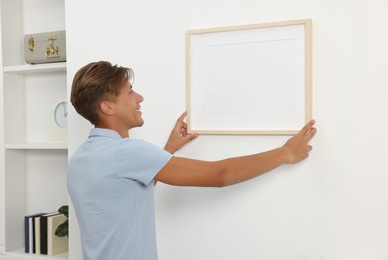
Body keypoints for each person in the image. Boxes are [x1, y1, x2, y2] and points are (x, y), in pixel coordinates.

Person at [67, 61, 317, 260]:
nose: (139, 98)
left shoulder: (81, 157)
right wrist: (286, 152)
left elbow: (125, 195)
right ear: (108, 107)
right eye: (130, 92)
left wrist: (168, 150)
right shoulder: (127, 152)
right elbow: (221, 174)